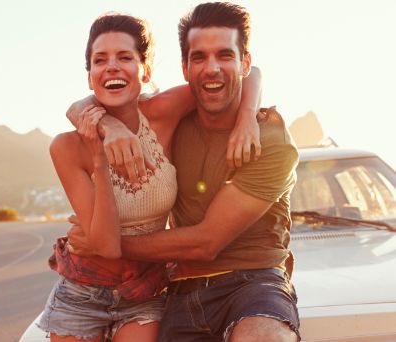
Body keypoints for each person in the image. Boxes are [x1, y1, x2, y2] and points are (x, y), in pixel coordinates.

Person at [67, 3, 300, 341]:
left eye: (225, 55)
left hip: (254, 282)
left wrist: (105, 243)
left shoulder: (270, 139)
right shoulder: (173, 121)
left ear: (244, 63)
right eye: (199, 58)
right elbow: (83, 105)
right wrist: (109, 125)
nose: (212, 69)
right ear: (185, 68)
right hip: (180, 286)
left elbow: (206, 243)